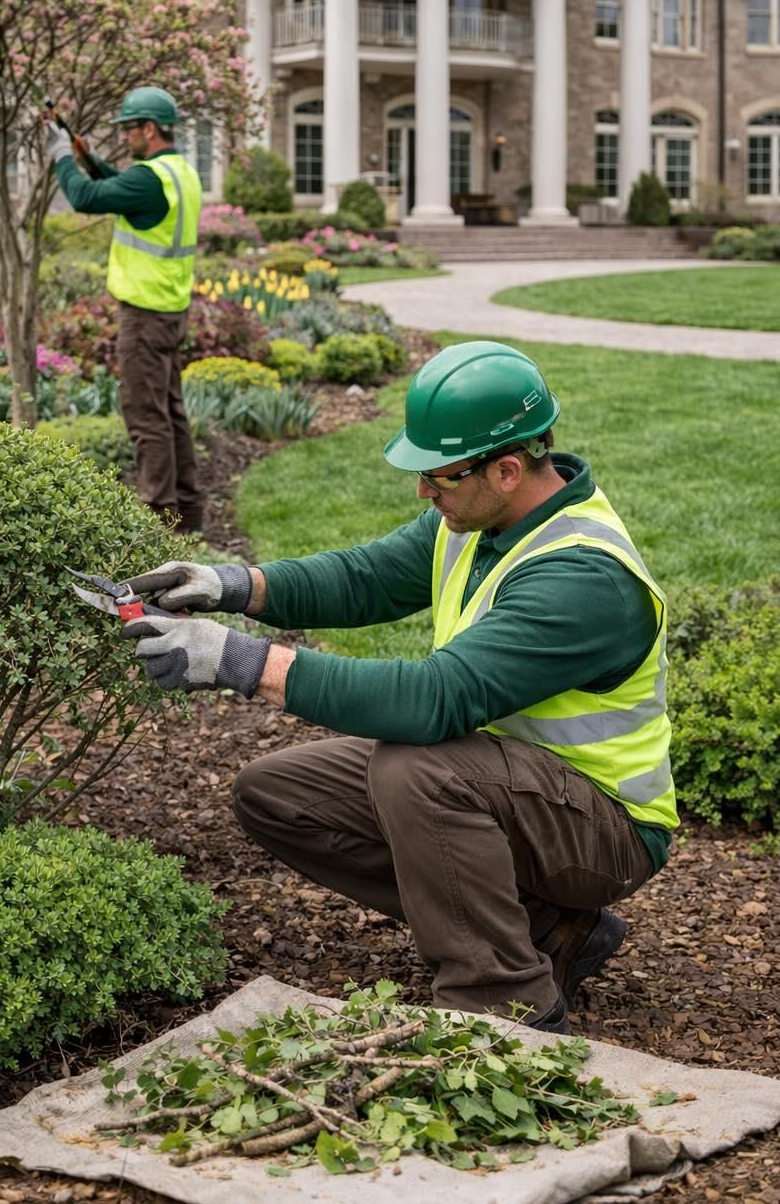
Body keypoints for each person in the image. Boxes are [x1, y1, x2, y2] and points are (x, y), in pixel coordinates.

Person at [121, 340, 678, 1032]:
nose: (424, 490)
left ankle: (504, 1007)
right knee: (277, 796)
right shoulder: (482, 518)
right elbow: (368, 577)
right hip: (508, 783)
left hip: (604, 826)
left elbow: (432, 701)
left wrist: (238, 662)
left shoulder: (582, 578)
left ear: (507, 469)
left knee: (415, 766)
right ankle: (547, 929)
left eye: (437, 477)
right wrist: (230, 585)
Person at [44, 87, 205, 533]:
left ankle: (155, 523)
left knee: (145, 415)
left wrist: (61, 154)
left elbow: (86, 198)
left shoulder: (149, 178)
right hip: (171, 309)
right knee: (170, 411)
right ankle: (187, 514)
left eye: (129, 128)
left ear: (148, 128)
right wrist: (89, 159)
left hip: (145, 314)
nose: (125, 136)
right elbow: (122, 189)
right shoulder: (179, 173)